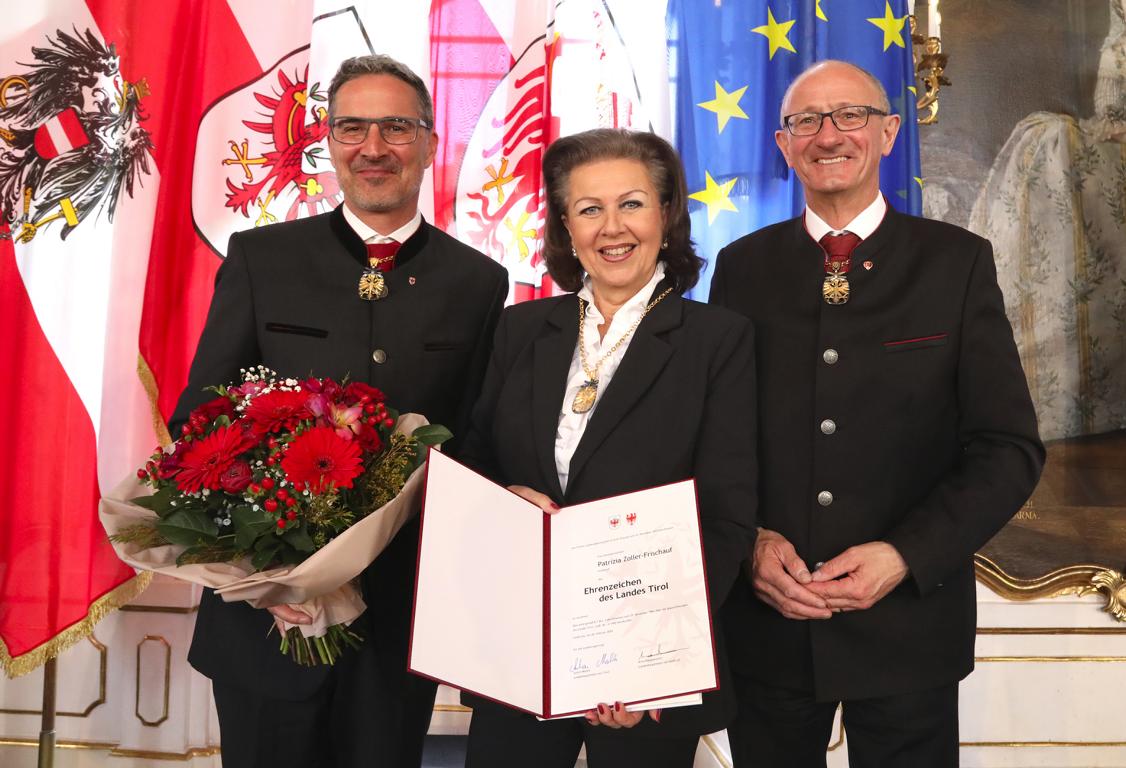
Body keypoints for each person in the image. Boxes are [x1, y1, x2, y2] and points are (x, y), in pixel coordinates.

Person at [170, 55, 508, 768]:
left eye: (396, 127)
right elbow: (199, 426)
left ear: (429, 142)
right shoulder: (264, 258)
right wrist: (261, 577)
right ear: (328, 140)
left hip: (396, 625)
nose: (374, 148)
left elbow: (477, 445)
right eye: (353, 127)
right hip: (265, 622)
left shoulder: (477, 281)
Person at [709, 60, 1045, 768]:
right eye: (807, 120)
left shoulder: (955, 264)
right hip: (769, 626)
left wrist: (906, 554)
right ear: (783, 143)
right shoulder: (741, 267)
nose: (828, 135)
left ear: (889, 133)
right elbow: (719, 436)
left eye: (850, 116)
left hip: (907, 632)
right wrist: (751, 543)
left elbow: (1006, 447)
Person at [456, 128, 757, 768]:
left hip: (648, 669)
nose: (612, 227)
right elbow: (474, 464)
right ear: (566, 228)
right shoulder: (519, 329)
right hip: (520, 650)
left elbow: (727, 513)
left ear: (667, 215)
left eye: (632, 204)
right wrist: (506, 499)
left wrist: (645, 659)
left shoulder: (718, 339)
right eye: (589, 209)